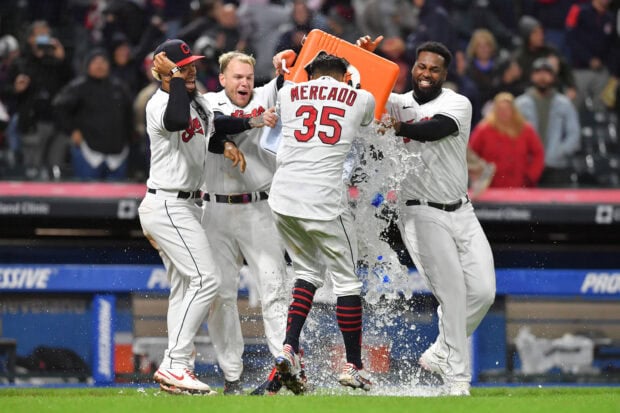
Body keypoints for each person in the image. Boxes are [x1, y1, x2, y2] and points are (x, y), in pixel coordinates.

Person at [358, 36, 496, 396]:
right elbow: (359, 90)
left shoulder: (458, 102)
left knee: (483, 293)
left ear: (444, 74)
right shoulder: (396, 103)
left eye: (434, 69)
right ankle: (457, 380)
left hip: (461, 210)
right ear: (413, 67)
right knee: (452, 294)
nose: (426, 73)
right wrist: (366, 58)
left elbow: (437, 129)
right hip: (419, 212)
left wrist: (401, 128)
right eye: (422, 66)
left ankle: (439, 351)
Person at [138, 38, 246, 395]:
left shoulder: (196, 101)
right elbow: (176, 119)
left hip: (184, 204)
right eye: (183, 65)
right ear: (164, 69)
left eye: (192, 64)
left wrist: (231, 139)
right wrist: (171, 80)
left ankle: (179, 367)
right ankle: (174, 364)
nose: (191, 69)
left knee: (184, 287)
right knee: (207, 279)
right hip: (168, 203)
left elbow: (210, 133)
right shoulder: (160, 103)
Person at [269, 53, 376, 393]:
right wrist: (353, 80)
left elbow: (293, 85)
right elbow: (367, 119)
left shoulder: (288, 93)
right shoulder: (360, 96)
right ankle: (354, 366)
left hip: (283, 199)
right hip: (324, 200)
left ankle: (289, 347)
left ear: (310, 73)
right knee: (347, 282)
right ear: (343, 75)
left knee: (307, 271)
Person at [200, 50, 288, 395]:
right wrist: (250, 124)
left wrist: (284, 67)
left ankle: (285, 367)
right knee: (220, 296)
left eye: (249, 77)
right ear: (222, 79)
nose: (244, 82)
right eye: (237, 77)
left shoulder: (266, 94)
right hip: (216, 212)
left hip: (259, 210)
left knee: (274, 288)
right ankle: (232, 376)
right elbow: (216, 126)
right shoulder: (207, 101)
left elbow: (284, 82)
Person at [53, 49, 134, 181]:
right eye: (95, 62)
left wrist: (130, 138)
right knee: (86, 197)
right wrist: (72, 131)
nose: (99, 65)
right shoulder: (78, 86)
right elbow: (59, 107)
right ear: (88, 65)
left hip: (118, 154)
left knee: (115, 198)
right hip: (87, 152)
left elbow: (129, 115)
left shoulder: (119, 87)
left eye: (103, 62)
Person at [515, 57, 581, 187]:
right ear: (532, 76)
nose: (542, 77)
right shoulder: (520, 104)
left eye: (547, 73)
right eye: (538, 72)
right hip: (527, 164)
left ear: (553, 77)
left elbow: (574, 135)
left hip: (555, 166)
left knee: (556, 206)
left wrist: (559, 152)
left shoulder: (564, 103)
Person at [469, 92, 545, 188]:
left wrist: (531, 176)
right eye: (500, 109)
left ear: (513, 110)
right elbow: (471, 155)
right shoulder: (483, 130)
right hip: (490, 186)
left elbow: (538, 153)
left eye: (507, 109)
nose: (503, 112)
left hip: (520, 185)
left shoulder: (525, 129)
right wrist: (479, 175)